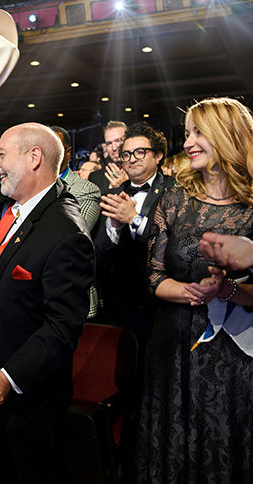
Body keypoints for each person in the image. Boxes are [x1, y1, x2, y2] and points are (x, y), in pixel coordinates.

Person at [0, 72, 94, 483]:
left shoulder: (65, 231)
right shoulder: (14, 206)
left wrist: (9, 376)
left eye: (1, 155)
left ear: (34, 158)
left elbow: (62, 327)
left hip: (27, 399)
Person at [136, 97, 253, 483]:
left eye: (198, 132)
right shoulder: (172, 199)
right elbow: (154, 277)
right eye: (187, 133)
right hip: (172, 348)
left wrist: (228, 290)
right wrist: (189, 291)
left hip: (234, 359)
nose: (187, 143)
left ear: (227, 135)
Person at [95, 122, 175, 349]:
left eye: (140, 152)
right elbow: (97, 251)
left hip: (160, 306)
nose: (132, 159)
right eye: (127, 154)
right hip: (117, 305)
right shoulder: (112, 194)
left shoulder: (175, 190)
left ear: (158, 155)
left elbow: (175, 247)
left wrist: (134, 219)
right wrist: (114, 228)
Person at [89, 120, 128, 194]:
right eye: (109, 143)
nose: (114, 148)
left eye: (118, 141)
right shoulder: (95, 178)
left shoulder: (141, 172)